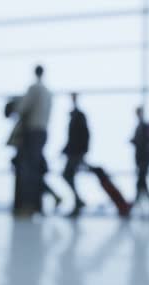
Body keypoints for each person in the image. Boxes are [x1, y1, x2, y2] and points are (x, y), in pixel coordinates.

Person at [14, 65, 53, 216]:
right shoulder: (49, 92)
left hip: (32, 132)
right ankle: (36, 206)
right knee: (36, 169)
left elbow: (22, 108)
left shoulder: (34, 88)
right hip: (43, 132)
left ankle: (27, 206)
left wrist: (16, 106)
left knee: (28, 170)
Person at [62, 93, 90, 217]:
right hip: (73, 152)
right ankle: (78, 202)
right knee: (68, 175)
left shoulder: (79, 116)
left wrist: (83, 151)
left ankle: (78, 202)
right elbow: (71, 138)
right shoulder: (74, 116)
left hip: (76, 152)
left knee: (68, 174)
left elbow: (85, 135)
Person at [131, 106, 149, 217]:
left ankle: (137, 206)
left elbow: (146, 144)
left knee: (141, 183)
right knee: (142, 184)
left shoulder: (145, 127)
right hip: (139, 159)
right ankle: (146, 207)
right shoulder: (139, 127)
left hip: (144, 160)